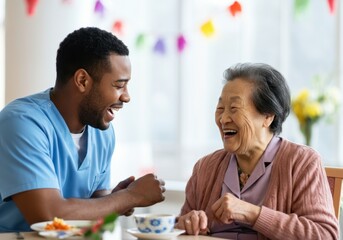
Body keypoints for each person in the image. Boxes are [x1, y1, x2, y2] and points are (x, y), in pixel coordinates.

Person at [0, 27, 165, 232]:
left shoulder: (102, 133)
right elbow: (46, 215)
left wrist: (115, 199)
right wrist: (129, 197)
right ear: (82, 80)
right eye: (118, 85)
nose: (126, 96)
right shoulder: (21, 122)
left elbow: (94, 203)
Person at [175, 63, 339, 239]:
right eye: (220, 109)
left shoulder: (302, 161)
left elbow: (325, 235)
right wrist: (187, 223)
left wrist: (253, 213)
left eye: (234, 108)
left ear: (268, 116)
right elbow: (180, 228)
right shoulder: (205, 167)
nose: (223, 118)